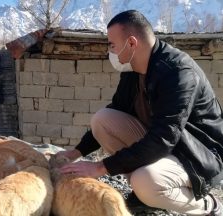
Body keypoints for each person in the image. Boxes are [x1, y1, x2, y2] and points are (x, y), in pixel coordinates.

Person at [58, 10, 223, 216]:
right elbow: (116, 109)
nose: (110, 51)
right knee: (102, 120)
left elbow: (164, 138)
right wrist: (77, 152)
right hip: (163, 144)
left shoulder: (178, 73)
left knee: (146, 181)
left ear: (132, 43)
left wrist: (100, 168)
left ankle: (208, 205)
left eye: (112, 45)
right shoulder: (133, 70)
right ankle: (144, 193)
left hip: (196, 156)